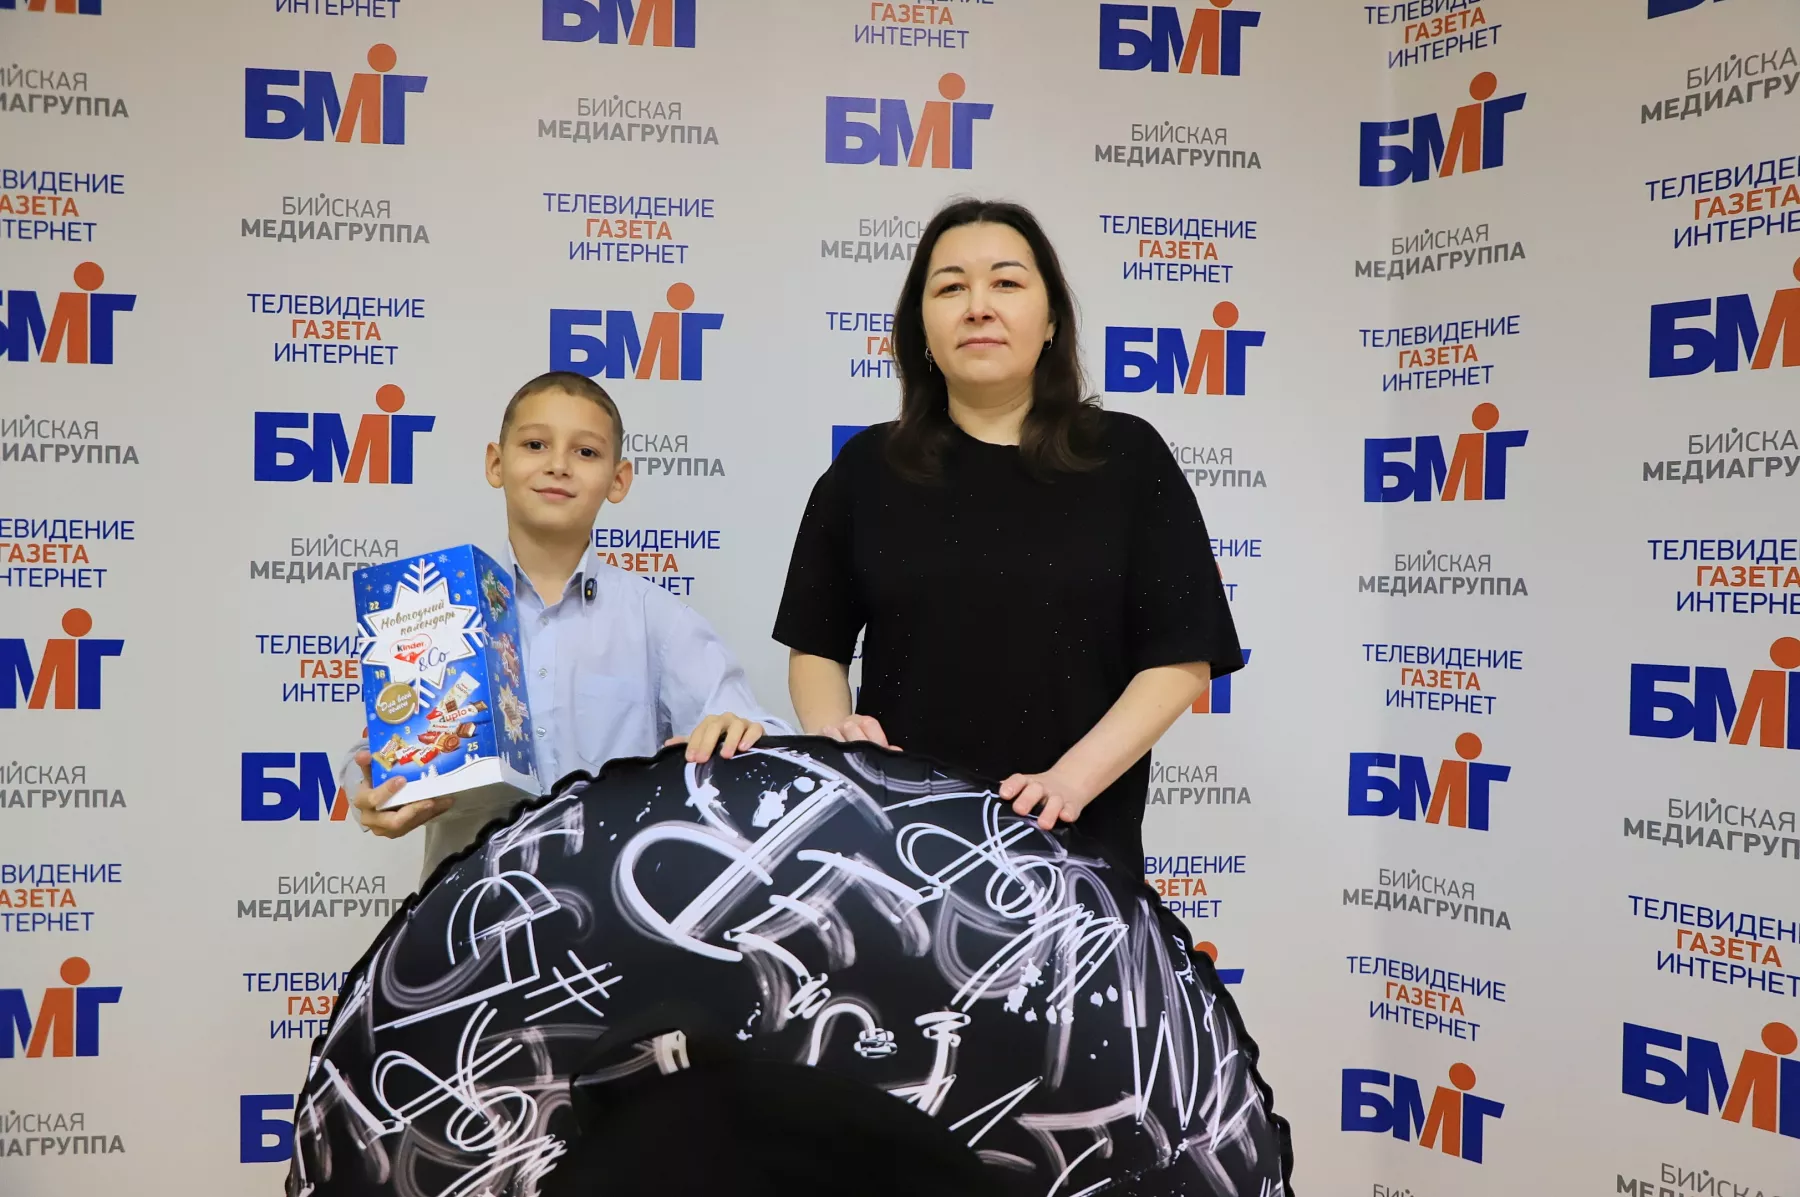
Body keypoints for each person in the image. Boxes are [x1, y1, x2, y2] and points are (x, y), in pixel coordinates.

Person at [773, 198, 1242, 877]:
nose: (978, 307)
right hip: (896, 849)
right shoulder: (866, 469)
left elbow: (1182, 657)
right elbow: (815, 645)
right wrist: (836, 739)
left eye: (1006, 282)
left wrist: (1069, 782)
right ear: (920, 326)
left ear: (1050, 321)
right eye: (950, 288)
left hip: (1077, 850)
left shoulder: (1127, 457)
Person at [344, 371, 789, 879]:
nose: (558, 465)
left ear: (618, 480)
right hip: (469, 906)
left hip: (613, 904)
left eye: (586, 452)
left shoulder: (658, 620)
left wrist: (743, 733)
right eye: (535, 444)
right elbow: (382, 748)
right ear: (496, 463)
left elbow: (768, 736)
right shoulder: (437, 610)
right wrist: (372, 789)